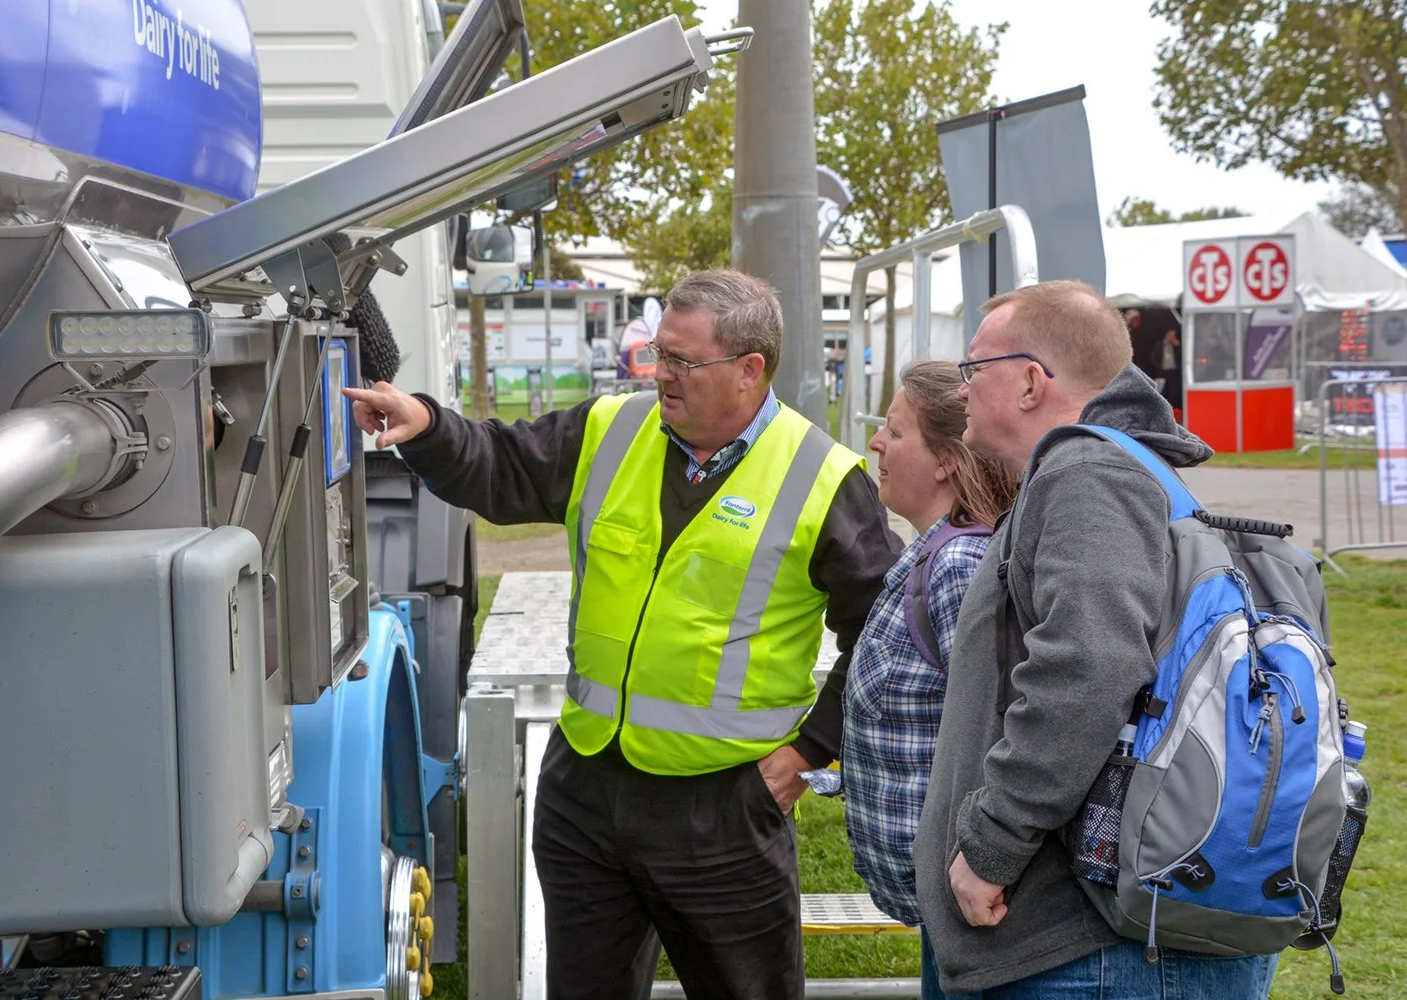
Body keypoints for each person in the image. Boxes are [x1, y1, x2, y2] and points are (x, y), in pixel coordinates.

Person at [344, 269, 902, 1000]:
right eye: (658, 353)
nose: (660, 374)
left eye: (681, 361)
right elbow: (501, 465)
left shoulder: (821, 476)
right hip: (587, 793)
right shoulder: (613, 428)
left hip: (724, 812)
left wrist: (807, 755)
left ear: (749, 370)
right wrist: (425, 423)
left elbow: (887, 637)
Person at [914, 280, 1277, 998]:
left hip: (1086, 955)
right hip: (1097, 947)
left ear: (1027, 381)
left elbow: (1090, 666)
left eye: (972, 367)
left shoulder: (1089, 474)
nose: (960, 390)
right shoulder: (1117, 469)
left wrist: (991, 844)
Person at [841, 361, 1017, 932]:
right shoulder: (932, 555)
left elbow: (1002, 728)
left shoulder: (959, 568)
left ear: (945, 459)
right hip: (944, 908)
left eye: (895, 431)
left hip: (968, 908)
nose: (876, 441)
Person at [1151, 325, 1183, 414]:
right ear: (1166, 335)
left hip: (1173, 372)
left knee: (1173, 392)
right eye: (1171, 335)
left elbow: (1182, 356)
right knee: (1160, 391)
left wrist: (1178, 346)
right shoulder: (1160, 344)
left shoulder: (1176, 345)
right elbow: (1153, 357)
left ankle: (1172, 410)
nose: (1172, 337)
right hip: (1162, 372)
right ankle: (1159, 410)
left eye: (1174, 335)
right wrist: (1159, 367)